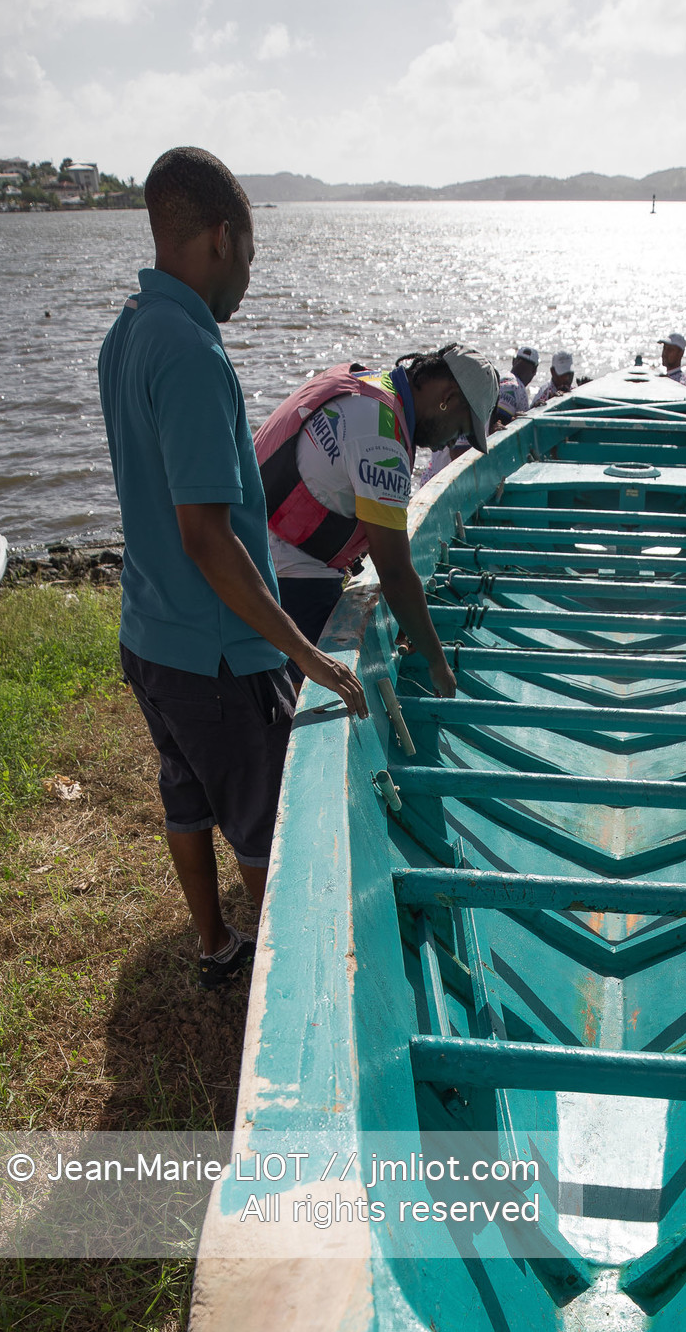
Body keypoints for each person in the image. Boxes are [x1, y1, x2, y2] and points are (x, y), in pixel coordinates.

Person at [98, 145, 368, 990]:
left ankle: (217, 947)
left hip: (151, 635)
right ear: (220, 237)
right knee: (264, 830)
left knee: (185, 795)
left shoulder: (129, 331)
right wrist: (307, 653)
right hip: (216, 656)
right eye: (249, 254)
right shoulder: (190, 351)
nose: (249, 278)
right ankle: (288, 996)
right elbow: (208, 536)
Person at [254, 343, 499, 703]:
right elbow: (396, 573)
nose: (451, 441)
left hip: (252, 535)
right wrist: (436, 661)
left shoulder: (366, 382)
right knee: (332, 696)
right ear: (447, 398)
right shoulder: (383, 442)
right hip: (287, 575)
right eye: (461, 427)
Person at [496, 346, 538, 421]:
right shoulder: (513, 387)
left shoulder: (499, 375)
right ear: (535, 370)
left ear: (513, 361)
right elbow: (500, 420)